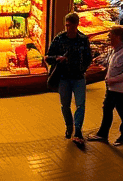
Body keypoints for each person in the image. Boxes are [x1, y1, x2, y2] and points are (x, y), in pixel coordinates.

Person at [48, 11, 92, 145]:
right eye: (67, 26)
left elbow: (88, 58)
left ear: (77, 25)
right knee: (65, 105)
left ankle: (78, 130)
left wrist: (82, 69)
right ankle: (69, 125)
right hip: (64, 78)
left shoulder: (83, 39)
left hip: (78, 78)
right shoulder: (59, 39)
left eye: (71, 26)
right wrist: (57, 58)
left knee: (80, 105)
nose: (69, 29)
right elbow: (48, 57)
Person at [87, 26, 123, 146]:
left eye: (110, 36)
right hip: (112, 87)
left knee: (120, 110)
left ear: (117, 37)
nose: (109, 38)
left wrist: (113, 80)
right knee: (109, 109)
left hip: (119, 89)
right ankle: (105, 133)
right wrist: (98, 60)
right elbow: (108, 61)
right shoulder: (114, 50)